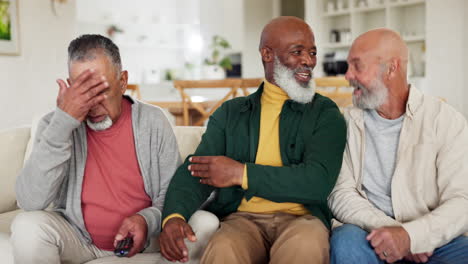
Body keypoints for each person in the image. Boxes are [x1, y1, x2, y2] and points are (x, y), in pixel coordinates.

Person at [159, 16, 347, 264]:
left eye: (312, 52)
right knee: (223, 248)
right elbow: (198, 169)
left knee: (305, 247)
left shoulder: (325, 113)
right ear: (267, 55)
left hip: (304, 221)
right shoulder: (230, 113)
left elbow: (318, 182)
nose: (308, 61)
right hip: (242, 220)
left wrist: (241, 173)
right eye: (297, 52)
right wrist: (173, 217)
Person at [11, 34, 182, 263]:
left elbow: (174, 193)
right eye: (83, 91)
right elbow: (30, 202)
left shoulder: (152, 121)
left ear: (122, 81)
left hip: (146, 239)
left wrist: (146, 219)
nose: (92, 104)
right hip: (78, 240)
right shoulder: (53, 126)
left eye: (101, 90)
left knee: (202, 224)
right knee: (26, 226)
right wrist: (63, 123)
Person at [328, 28, 468, 264]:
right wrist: (396, 234)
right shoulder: (346, 123)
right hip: (368, 234)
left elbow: (462, 200)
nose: (347, 75)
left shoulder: (446, 120)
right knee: (344, 241)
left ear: (391, 68)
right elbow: (340, 193)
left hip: (434, 242)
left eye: (357, 66)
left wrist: (414, 237)